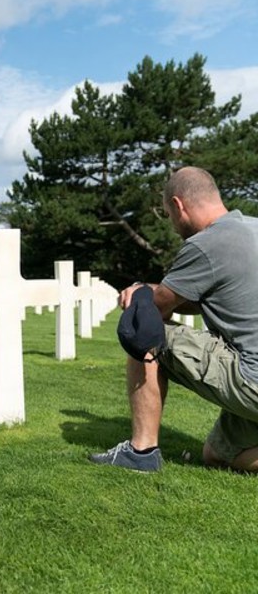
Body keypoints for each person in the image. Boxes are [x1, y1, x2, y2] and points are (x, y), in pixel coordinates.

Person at [90, 166, 258, 472]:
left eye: (168, 215)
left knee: (141, 324)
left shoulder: (206, 243)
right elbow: (209, 298)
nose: (172, 225)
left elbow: (156, 310)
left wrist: (141, 291)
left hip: (253, 380)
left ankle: (141, 452)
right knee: (217, 454)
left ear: (178, 205)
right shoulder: (252, 228)